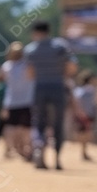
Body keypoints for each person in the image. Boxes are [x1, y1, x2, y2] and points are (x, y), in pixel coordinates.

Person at [23, 20, 76, 170]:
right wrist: (62, 74)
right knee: (58, 123)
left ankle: (39, 146)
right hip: (58, 86)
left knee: (39, 122)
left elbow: (30, 74)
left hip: (40, 87)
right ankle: (57, 159)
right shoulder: (60, 46)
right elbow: (72, 66)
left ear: (35, 33)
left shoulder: (31, 50)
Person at [0, 41, 34, 159]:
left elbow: (4, 81)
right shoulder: (27, 65)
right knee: (25, 127)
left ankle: (12, 148)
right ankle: (24, 148)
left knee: (11, 126)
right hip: (26, 100)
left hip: (12, 101)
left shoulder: (6, 66)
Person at [73, 71, 97, 161]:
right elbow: (94, 102)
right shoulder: (91, 89)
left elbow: (76, 101)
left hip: (80, 114)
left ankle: (83, 151)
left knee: (82, 133)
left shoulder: (78, 90)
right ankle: (84, 152)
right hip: (88, 114)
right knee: (87, 133)